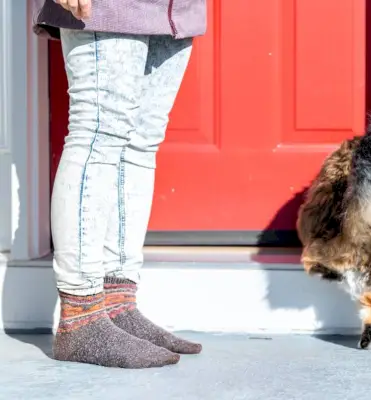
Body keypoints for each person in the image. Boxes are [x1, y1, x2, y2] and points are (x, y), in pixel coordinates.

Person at [32, 0, 206, 368]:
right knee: (98, 132)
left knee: (140, 143)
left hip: (175, 9)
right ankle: (81, 316)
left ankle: (118, 304)